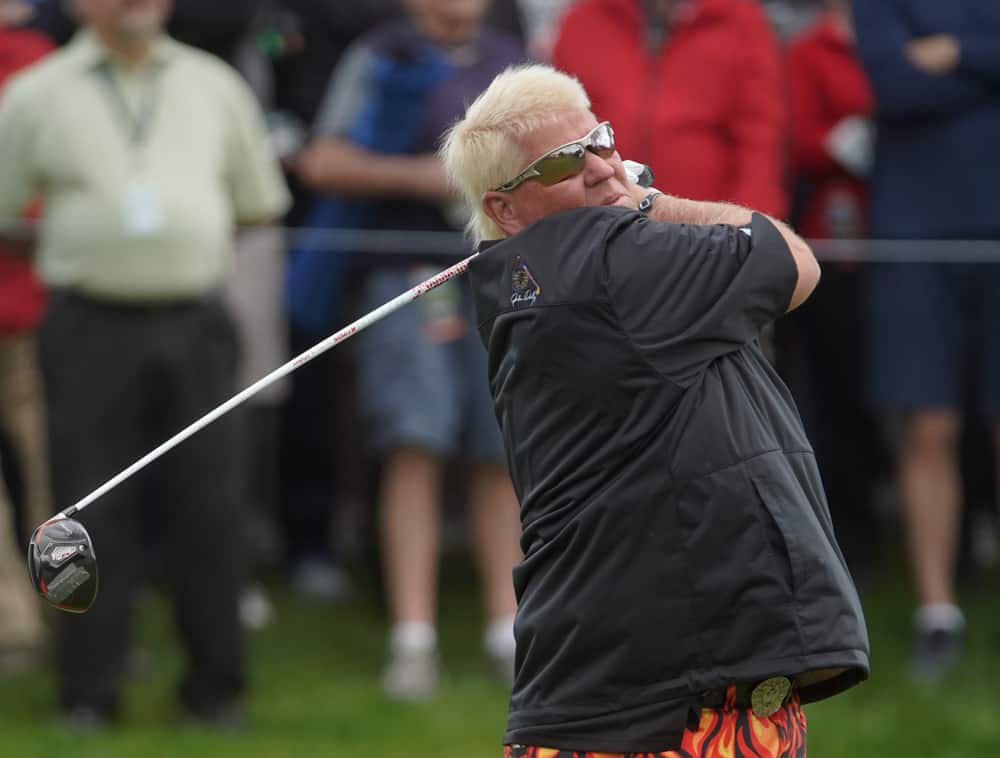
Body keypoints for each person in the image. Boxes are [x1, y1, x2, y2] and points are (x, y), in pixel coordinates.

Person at [441, 63, 870, 756]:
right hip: (660, 707)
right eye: (562, 161)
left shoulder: (535, 282)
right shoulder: (607, 256)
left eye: (599, 140)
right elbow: (792, 260)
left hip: (635, 691)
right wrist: (648, 201)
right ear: (504, 209)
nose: (601, 167)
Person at [0, 0, 290, 728]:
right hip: (86, 324)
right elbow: (4, 212)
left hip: (196, 320)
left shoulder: (214, 84)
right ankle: (88, 693)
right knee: (84, 512)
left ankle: (217, 691)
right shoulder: (36, 93)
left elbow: (257, 203)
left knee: (213, 504)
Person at [293, 0, 525, 701]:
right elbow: (323, 160)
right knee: (413, 443)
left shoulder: (511, 64)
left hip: (501, 275)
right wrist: (424, 178)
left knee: (500, 449)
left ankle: (509, 635)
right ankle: (413, 640)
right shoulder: (379, 55)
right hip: (405, 278)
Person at [851, 0, 1000, 682]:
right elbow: (891, 84)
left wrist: (950, 52)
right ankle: (937, 615)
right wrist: (984, 57)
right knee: (927, 424)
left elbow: (920, 77)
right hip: (913, 233)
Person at [782, 0, 882, 582]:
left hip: (901, 237)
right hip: (835, 246)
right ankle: (853, 537)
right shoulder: (808, 50)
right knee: (835, 397)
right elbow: (801, 142)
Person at [551, 0, 788, 218]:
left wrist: (748, 229)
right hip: (599, 223)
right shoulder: (582, 21)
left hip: (704, 229)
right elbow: (558, 132)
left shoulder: (740, 22)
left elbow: (760, 140)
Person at [0, 0, 55, 673]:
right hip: (32, 297)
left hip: (36, 305)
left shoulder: (40, 60)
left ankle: (72, 617)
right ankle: (14, 626)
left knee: (58, 469)